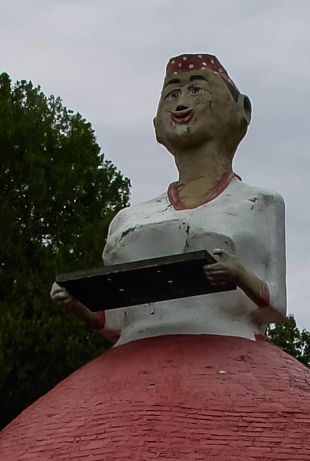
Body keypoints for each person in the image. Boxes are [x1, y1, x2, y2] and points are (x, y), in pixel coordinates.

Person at [51, 53, 286, 344]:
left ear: (242, 109)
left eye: (196, 90)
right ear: (156, 122)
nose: (181, 104)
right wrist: (75, 301)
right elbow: (117, 324)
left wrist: (239, 275)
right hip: (134, 356)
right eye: (172, 93)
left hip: (225, 348)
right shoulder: (128, 218)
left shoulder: (260, 202)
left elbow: (276, 306)